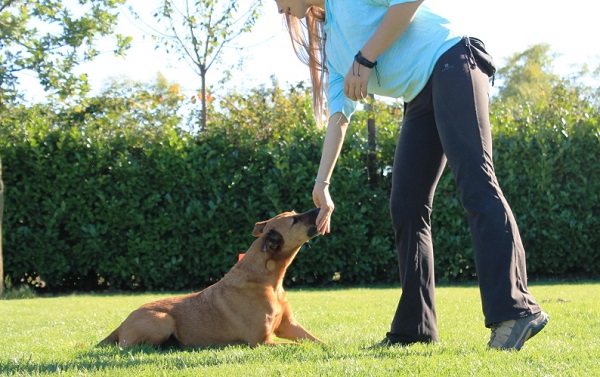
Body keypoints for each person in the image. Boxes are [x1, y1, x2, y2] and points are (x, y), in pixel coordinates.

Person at [273, 0, 548, 350]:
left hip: (452, 61)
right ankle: (415, 329)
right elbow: (339, 115)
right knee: (406, 205)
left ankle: (516, 310)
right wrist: (322, 183)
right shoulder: (333, 45)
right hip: (419, 95)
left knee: (476, 183)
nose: (279, 9)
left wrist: (365, 57)